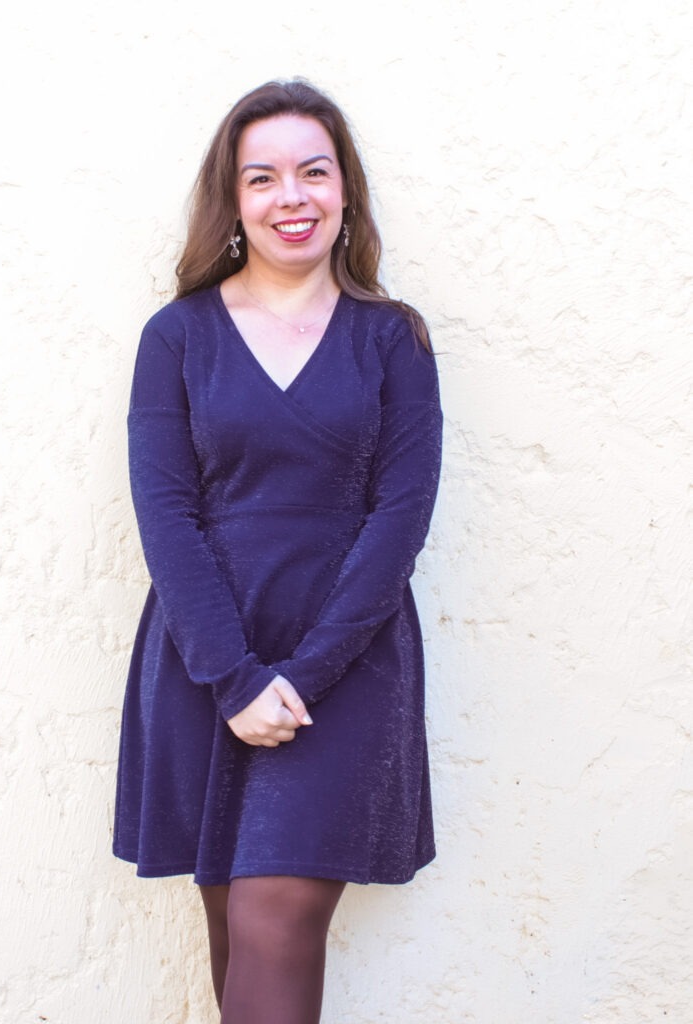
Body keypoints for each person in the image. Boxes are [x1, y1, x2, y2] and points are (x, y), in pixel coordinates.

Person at [113, 78, 443, 1024]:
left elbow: (399, 518)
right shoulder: (177, 337)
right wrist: (233, 678)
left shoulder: (393, 339)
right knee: (234, 929)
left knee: (273, 916)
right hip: (206, 659)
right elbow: (165, 514)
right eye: (261, 178)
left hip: (347, 665)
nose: (289, 196)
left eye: (313, 172)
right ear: (232, 199)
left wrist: (301, 675)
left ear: (345, 191)